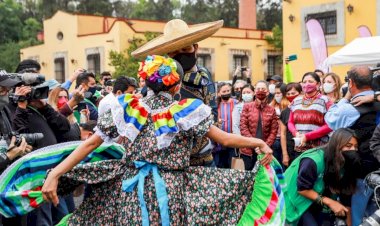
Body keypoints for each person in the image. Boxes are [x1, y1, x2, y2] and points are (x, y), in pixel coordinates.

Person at [40, 55, 273, 225]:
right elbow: (225, 138)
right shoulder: (188, 110)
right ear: (178, 86)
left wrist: (55, 173)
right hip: (171, 192)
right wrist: (259, 143)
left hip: (131, 191)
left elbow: (90, 144)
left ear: (146, 83)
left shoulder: (126, 109)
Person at [132, 19, 220, 166]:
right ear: (167, 54)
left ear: (195, 47)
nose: (180, 55)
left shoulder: (204, 75)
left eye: (185, 50)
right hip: (169, 157)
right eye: (175, 52)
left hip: (202, 156)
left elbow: (212, 112)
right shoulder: (156, 77)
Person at [325, 66, 380, 225]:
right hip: (376, 168)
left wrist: (346, 96)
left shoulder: (350, 108)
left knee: (357, 216)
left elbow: (330, 119)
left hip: (359, 172)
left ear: (350, 82)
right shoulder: (376, 99)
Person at [284, 128, 360, 226]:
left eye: (356, 147)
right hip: (294, 199)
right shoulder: (313, 161)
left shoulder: (346, 162)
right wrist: (331, 202)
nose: (353, 150)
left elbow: (345, 196)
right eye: (348, 146)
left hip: (316, 199)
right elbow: (302, 189)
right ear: (336, 146)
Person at [288, 72, 333, 156]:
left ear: (318, 84)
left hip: (318, 149)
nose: (307, 84)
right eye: (304, 82)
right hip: (299, 148)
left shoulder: (326, 101)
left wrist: (308, 136)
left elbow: (330, 125)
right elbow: (290, 122)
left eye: (310, 81)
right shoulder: (296, 100)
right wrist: (296, 133)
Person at [240, 80, 278, 170]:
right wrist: (255, 144)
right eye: (258, 89)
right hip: (248, 149)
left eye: (263, 89)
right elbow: (243, 127)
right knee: (249, 177)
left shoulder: (271, 110)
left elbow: (274, 131)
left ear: (267, 92)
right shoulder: (247, 107)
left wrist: (264, 146)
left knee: (264, 176)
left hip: (265, 150)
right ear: (254, 92)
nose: (260, 90)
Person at [279, 82, 302, 167]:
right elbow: (283, 133)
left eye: (293, 93)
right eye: (288, 94)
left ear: (300, 93)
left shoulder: (307, 109)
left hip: (305, 149)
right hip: (289, 150)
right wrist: (285, 154)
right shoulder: (285, 112)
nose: (290, 95)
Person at [269, 83, 288, 167]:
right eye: (275, 93)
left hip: (286, 139)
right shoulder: (271, 106)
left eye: (279, 93)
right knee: (277, 166)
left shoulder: (289, 106)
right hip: (275, 139)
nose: (277, 95)